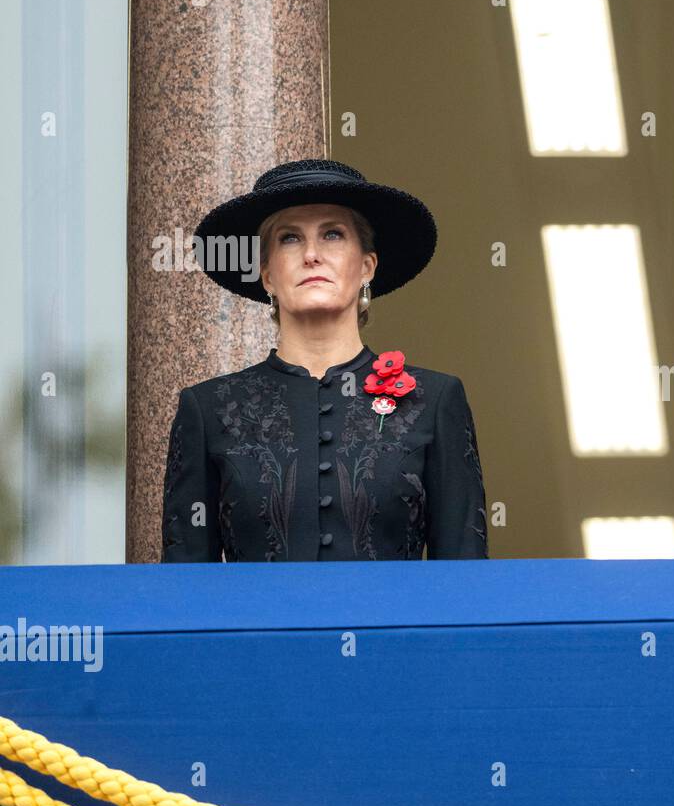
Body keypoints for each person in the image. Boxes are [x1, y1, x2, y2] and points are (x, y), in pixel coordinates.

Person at [161, 159, 488, 561]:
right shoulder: (207, 409)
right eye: (289, 238)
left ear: (367, 266)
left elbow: (463, 577)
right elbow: (187, 586)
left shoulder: (435, 399)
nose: (312, 254)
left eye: (332, 234)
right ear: (267, 275)